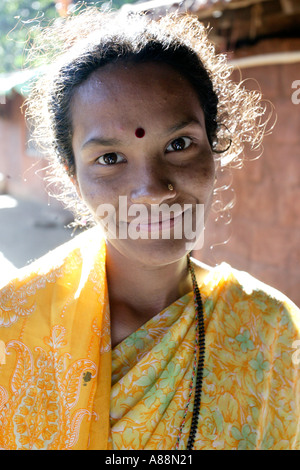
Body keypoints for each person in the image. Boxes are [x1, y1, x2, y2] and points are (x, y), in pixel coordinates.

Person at [0, 6, 299, 451]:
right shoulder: (14, 328)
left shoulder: (269, 330)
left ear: (214, 150)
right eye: (109, 158)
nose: (153, 190)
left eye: (179, 145)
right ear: (71, 175)